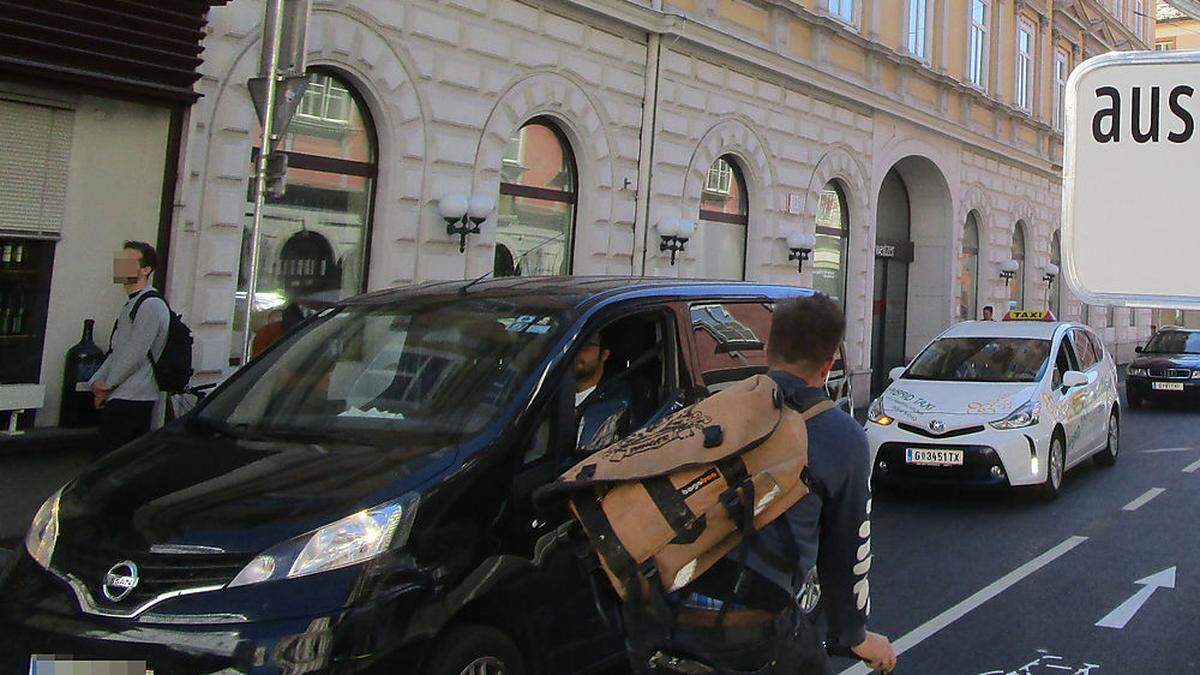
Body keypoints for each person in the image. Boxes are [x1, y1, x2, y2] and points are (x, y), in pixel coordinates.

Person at [745, 294, 897, 674]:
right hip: (758, 628)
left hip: (668, 613)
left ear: (767, 349)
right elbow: (848, 548)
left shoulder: (723, 409)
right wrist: (855, 635)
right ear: (830, 363)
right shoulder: (840, 434)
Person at [89, 242, 169, 455]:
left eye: (129, 261)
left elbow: (134, 352)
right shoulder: (133, 304)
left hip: (135, 396)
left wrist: (106, 383)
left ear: (146, 269)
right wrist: (98, 382)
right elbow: (118, 350)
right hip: (122, 394)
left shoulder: (150, 305)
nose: (121, 265)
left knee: (113, 460)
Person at [574, 329, 634, 453]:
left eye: (586, 345)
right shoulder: (549, 391)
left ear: (604, 355)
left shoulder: (616, 402)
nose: (577, 351)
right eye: (574, 344)